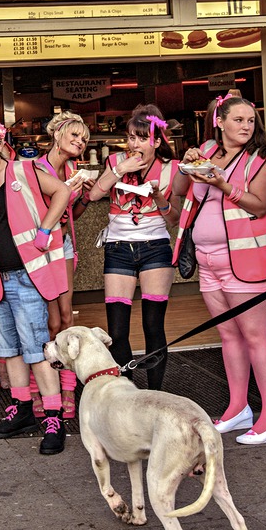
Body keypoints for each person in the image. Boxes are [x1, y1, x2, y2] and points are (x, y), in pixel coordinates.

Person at [173, 95, 266, 443]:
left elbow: (261, 204)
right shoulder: (206, 149)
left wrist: (224, 185)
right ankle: (238, 407)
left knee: (256, 336)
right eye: (238, 120)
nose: (246, 127)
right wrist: (184, 164)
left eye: (250, 121)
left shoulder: (261, 159)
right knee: (229, 336)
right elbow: (178, 191)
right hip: (207, 259)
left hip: (245, 260)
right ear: (219, 121)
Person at [0, 115, 72, 454]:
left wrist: (45, 229)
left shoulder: (23, 170)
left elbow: (63, 191)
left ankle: (53, 417)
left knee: (36, 349)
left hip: (26, 277)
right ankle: (22, 409)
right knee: (9, 352)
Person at [86, 104, 179, 391]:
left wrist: (160, 197)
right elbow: (93, 194)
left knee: (153, 326)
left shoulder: (171, 168)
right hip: (118, 248)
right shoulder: (116, 160)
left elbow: (174, 219)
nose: (134, 144)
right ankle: (127, 392)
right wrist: (120, 170)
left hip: (155, 248)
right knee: (117, 329)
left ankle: (154, 394)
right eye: (131, 137)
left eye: (142, 138)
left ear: (157, 141)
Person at [35, 110, 95, 418]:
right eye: (74, 135)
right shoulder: (35, 169)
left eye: (84, 138)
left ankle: (68, 384)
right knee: (46, 321)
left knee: (65, 318)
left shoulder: (72, 169)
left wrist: (82, 198)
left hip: (65, 245)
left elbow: (73, 216)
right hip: (42, 249)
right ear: (57, 135)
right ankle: (42, 387)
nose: (80, 141)